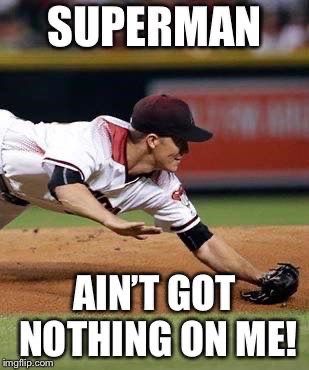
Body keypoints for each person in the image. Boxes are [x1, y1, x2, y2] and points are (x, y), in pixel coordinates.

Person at [0, 94, 298, 304]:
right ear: (153, 140)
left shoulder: (163, 186)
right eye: (180, 140)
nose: (186, 150)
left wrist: (261, 277)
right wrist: (110, 220)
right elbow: (64, 185)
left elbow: (202, 241)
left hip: (11, 195)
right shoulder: (93, 139)